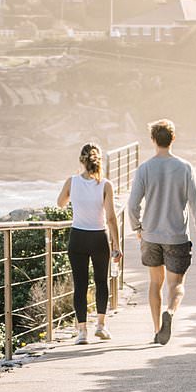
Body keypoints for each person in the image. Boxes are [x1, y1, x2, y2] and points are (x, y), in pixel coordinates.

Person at [127, 120, 196, 345]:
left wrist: (138, 228)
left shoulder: (144, 168)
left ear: (153, 140)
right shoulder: (184, 168)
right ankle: (170, 313)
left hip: (151, 236)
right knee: (177, 285)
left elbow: (132, 205)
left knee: (155, 283)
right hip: (176, 237)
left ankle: (156, 330)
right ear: (173, 139)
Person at [57, 143, 122, 344]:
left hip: (78, 237)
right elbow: (111, 217)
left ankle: (82, 332)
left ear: (81, 160)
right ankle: (101, 325)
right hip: (99, 237)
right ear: (99, 160)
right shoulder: (105, 185)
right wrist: (116, 246)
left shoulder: (72, 182)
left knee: (80, 285)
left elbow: (60, 203)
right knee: (101, 282)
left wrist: (75, 196)